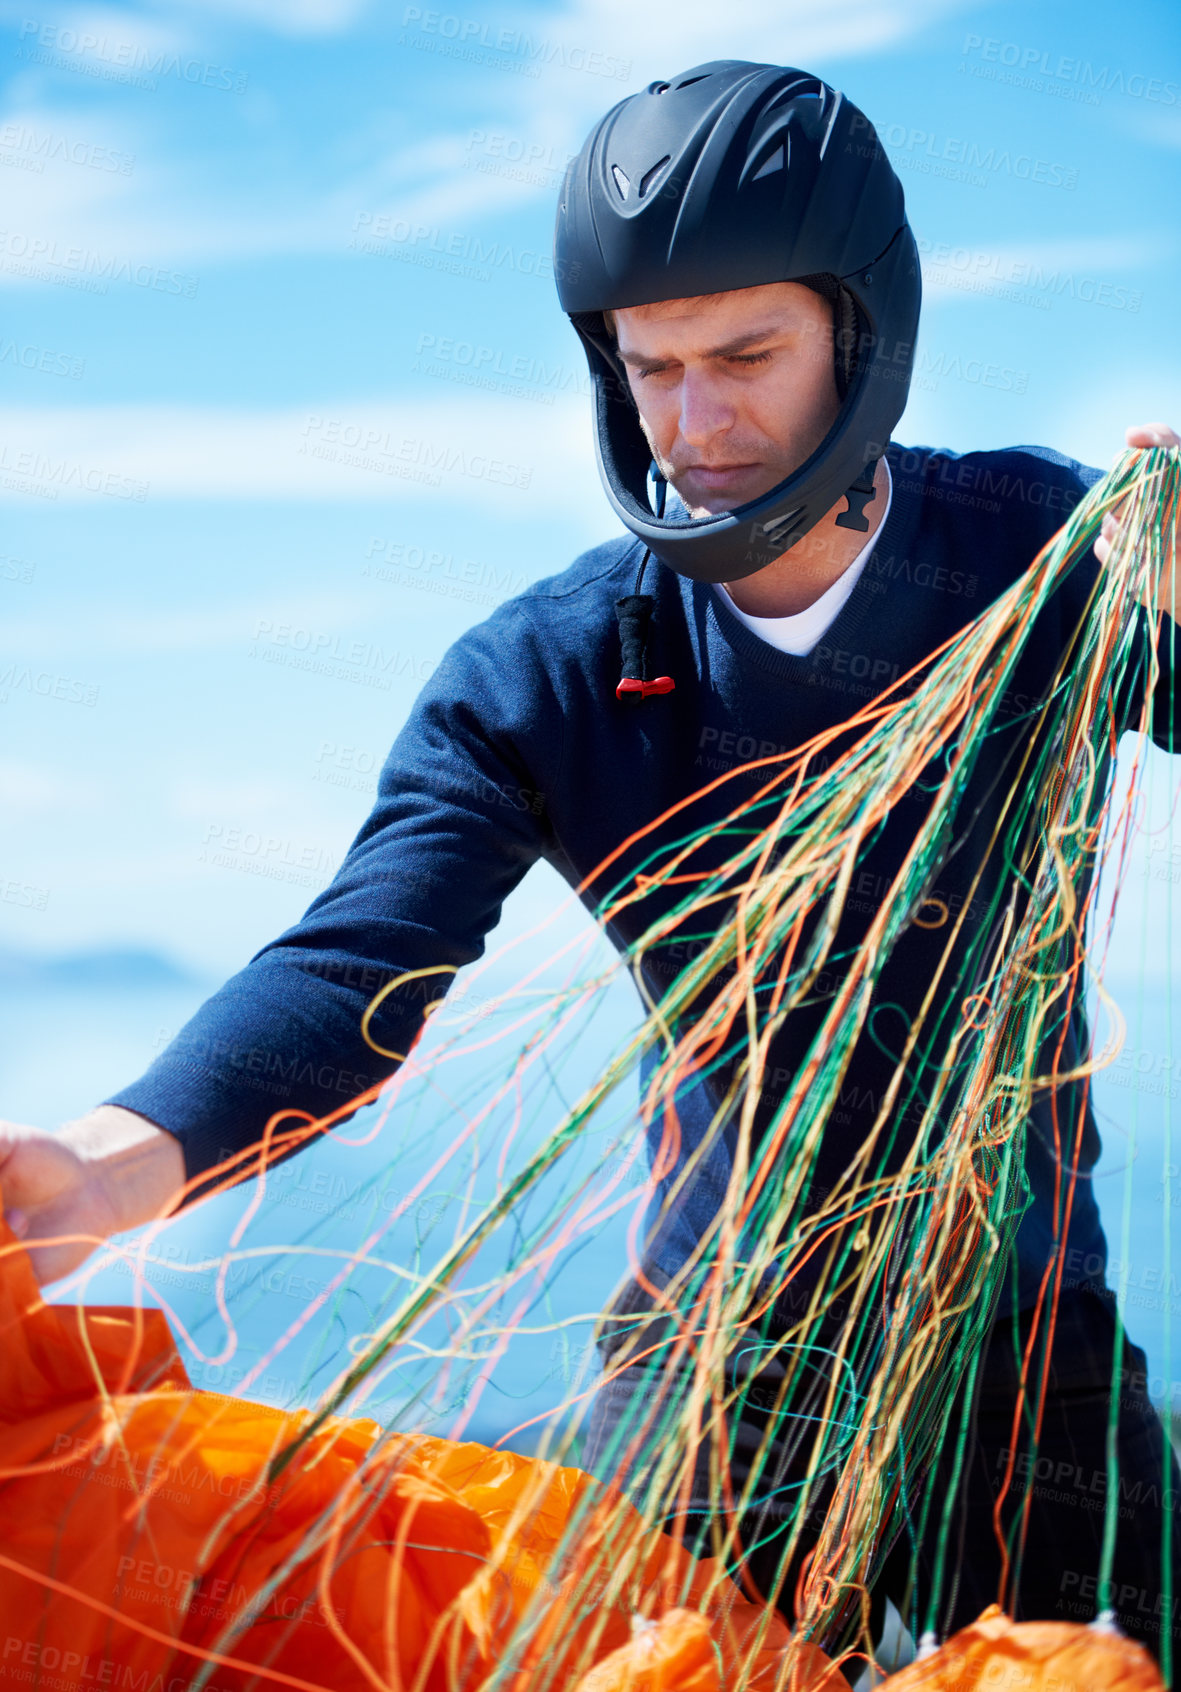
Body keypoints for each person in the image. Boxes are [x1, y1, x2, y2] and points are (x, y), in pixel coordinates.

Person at [1, 58, 1178, 1666]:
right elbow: (353, 969)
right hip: (715, 1362)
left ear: (864, 332)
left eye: (748, 356)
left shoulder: (1048, 555)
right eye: (653, 368)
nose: (697, 424)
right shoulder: (549, 673)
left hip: (1033, 1352)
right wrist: (99, 1171)